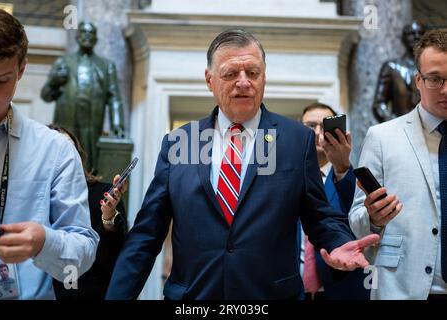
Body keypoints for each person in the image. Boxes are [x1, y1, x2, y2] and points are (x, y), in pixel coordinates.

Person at [106, 28, 379, 300]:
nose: (244, 82)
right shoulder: (180, 143)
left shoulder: (297, 141)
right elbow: (146, 235)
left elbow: (320, 217)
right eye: (230, 74)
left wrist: (339, 243)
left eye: (253, 72)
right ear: (209, 80)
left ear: (264, 77)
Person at [0, 8, 98, 299]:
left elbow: (84, 250)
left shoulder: (54, 149)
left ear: (21, 71)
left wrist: (45, 242)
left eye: (1, 80)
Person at [349, 29, 447, 300]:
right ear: (418, 80)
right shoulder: (382, 137)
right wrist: (374, 218)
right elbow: (356, 225)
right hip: (402, 288)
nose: (445, 89)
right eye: (435, 79)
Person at [47, 125, 128, 300]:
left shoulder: (105, 194)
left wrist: (108, 217)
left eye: (68, 149)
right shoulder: (32, 198)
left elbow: (118, 256)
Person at [299, 102, 369, 300]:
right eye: (310, 126)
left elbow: (359, 215)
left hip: (340, 289)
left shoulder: (349, 179)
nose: (317, 133)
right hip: (291, 291)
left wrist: (343, 168)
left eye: (325, 126)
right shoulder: (288, 179)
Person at [41, 21, 125, 172]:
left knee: (90, 165)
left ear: (96, 39)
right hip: (67, 122)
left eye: (91, 33)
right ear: (77, 36)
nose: (87, 36)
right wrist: (54, 81)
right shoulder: (63, 62)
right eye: (84, 32)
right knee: (62, 163)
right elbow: (46, 96)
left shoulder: (106, 65)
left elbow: (114, 97)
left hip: (92, 124)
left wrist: (117, 124)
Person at [372, 21, 426, 123]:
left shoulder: (431, 69)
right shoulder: (391, 67)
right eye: (411, 34)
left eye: (420, 33)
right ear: (404, 38)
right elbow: (379, 104)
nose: (416, 36)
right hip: (399, 125)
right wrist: (394, 122)